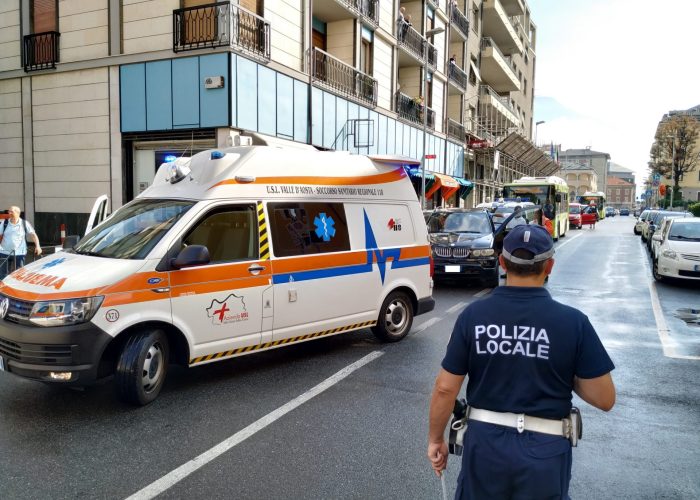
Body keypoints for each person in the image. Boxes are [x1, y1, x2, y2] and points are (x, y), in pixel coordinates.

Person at [427, 224, 615, 499]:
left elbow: (445, 388)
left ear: (502, 262)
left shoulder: (474, 315)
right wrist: (557, 366)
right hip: (546, 451)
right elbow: (604, 398)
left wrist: (435, 439)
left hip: (485, 446)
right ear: (549, 266)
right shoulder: (574, 323)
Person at [0, 206, 42, 280]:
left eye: (11, 211)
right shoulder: (4, 223)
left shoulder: (24, 223)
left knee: (19, 274)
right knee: (3, 274)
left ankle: (16, 289)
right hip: (4, 252)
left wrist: (38, 246)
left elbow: (33, 235)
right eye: (9, 211)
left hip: (19, 253)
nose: (9, 213)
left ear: (17, 213)